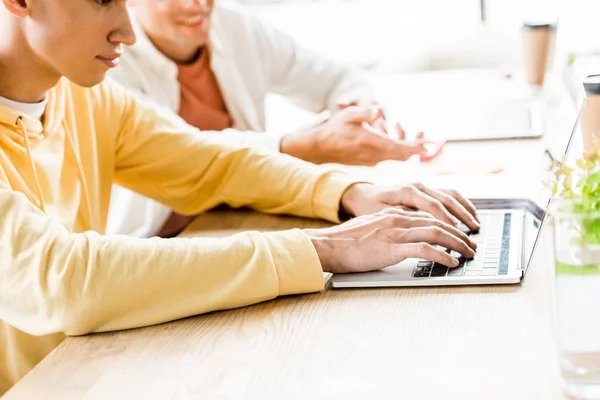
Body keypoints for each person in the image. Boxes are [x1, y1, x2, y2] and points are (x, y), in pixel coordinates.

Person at [0, 0, 479, 395]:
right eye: (103, 1)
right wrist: (322, 249)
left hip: (96, 371)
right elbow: (60, 277)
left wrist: (347, 192)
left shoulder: (86, 98)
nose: (127, 31)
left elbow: (213, 161)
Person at [106, 0, 427, 237]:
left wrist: (360, 115)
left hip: (243, 221)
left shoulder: (234, 26)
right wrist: (309, 145)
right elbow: (184, 152)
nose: (197, 5)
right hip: (162, 239)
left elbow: (336, 80)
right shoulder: (107, 62)